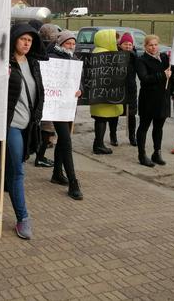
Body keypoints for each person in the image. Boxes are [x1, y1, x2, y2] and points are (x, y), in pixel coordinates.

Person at [0, 22, 45, 239]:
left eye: (30, 40)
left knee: (3, 167)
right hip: (10, 125)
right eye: (23, 38)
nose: (26, 43)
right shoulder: (2, 63)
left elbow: (38, 92)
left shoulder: (33, 64)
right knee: (17, 172)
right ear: (14, 39)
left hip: (28, 125)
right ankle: (23, 218)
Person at [45, 30, 83, 200]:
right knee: (66, 141)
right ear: (61, 44)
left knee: (63, 139)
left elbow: (79, 81)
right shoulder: (51, 58)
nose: (71, 46)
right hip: (56, 106)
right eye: (68, 43)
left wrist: (80, 89)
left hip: (69, 106)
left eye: (73, 43)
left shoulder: (74, 60)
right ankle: (73, 182)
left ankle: (57, 174)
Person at [135, 35, 173, 167]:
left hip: (163, 98)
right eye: (150, 45)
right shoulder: (141, 60)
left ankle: (157, 152)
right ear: (145, 46)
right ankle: (142, 154)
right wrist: (162, 75)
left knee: (159, 127)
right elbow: (144, 78)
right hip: (148, 99)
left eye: (156, 44)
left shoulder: (164, 57)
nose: (154, 47)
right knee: (144, 126)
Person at [90, 29, 123, 154]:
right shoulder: (105, 53)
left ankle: (98, 143)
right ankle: (99, 145)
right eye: (115, 39)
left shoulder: (98, 51)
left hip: (100, 93)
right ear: (107, 39)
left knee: (100, 118)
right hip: (104, 94)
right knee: (101, 119)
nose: (117, 42)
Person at [34, 23, 60, 168]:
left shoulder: (37, 48)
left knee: (43, 126)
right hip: (47, 94)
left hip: (42, 93)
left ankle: (39, 153)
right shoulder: (50, 51)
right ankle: (40, 156)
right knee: (46, 127)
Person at [118, 33, 138, 146]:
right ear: (121, 45)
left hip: (131, 89)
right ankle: (113, 135)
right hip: (118, 88)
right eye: (126, 44)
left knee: (131, 114)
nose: (128, 46)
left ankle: (132, 136)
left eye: (130, 44)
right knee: (116, 113)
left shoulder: (134, 56)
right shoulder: (115, 55)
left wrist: (134, 56)